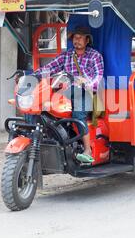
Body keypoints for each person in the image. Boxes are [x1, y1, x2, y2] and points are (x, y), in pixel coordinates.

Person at [34, 26, 104, 163]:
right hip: (66, 91)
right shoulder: (67, 55)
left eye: (80, 38)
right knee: (41, 106)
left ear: (87, 40)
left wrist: (86, 83)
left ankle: (87, 150)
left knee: (78, 114)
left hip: (86, 92)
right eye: (74, 38)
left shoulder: (95, 56)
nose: (76, 41)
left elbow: (98, 78)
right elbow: (50, 68)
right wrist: (32, 75)